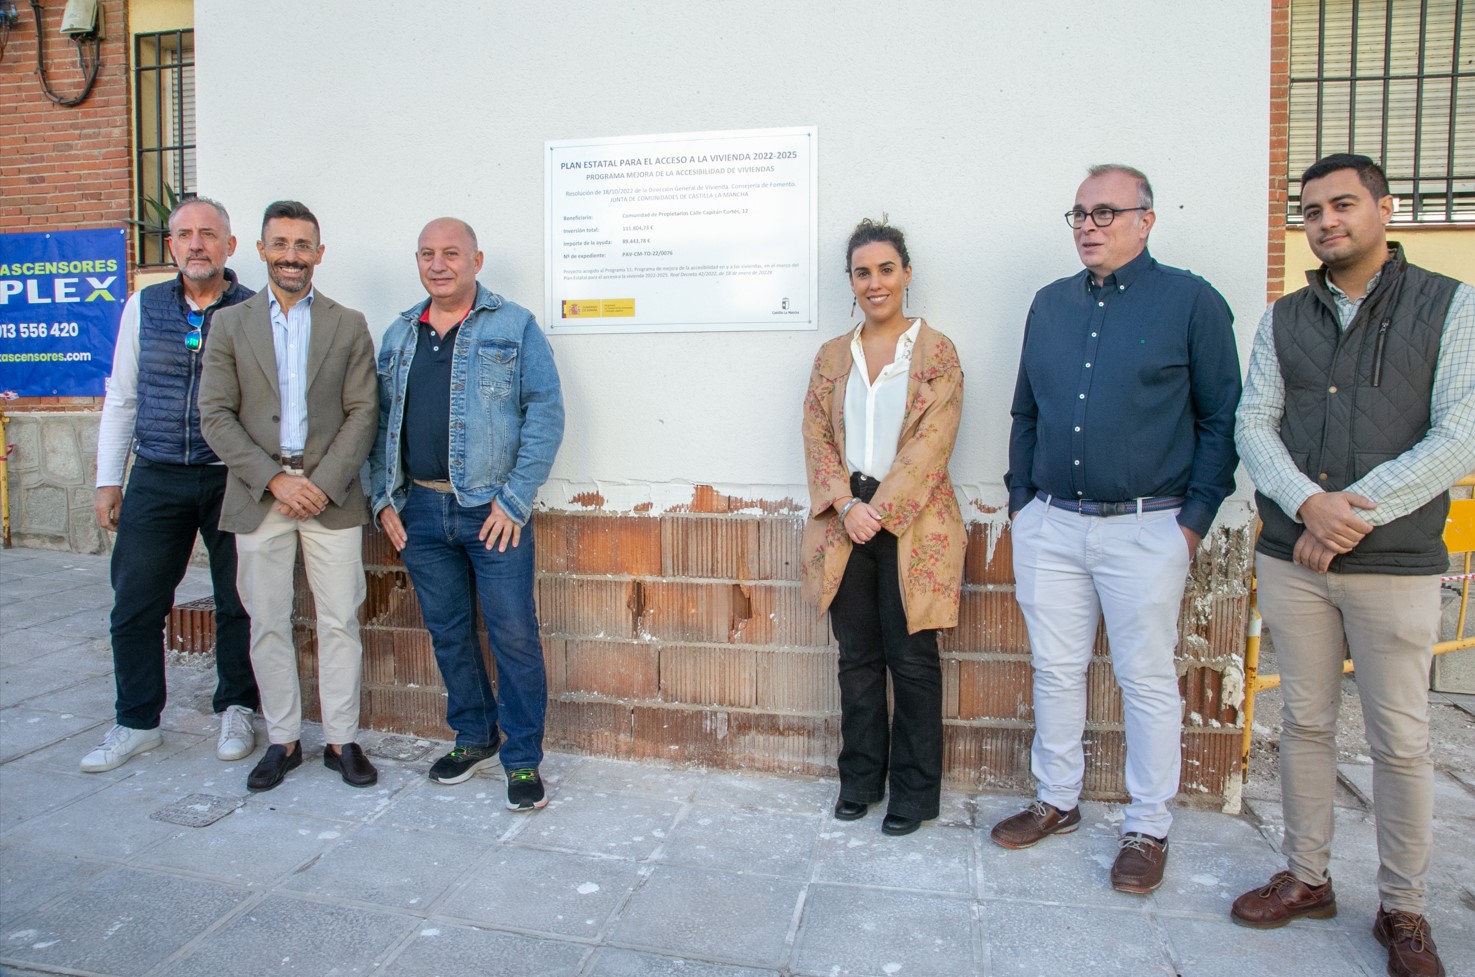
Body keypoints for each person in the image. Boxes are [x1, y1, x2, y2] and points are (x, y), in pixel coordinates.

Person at [1231, 153, 1472, 977]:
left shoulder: (1449, 306)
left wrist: (1346, 514)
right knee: (1302, 723)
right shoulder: (1283, 317)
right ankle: (1306, 877)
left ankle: (1403, 907)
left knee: (1399, 740)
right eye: (1311, 210)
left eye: (1341, 204)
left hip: (1394, 561)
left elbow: (1458, 433)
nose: (1325, 221)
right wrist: (1306, 505)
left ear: (1383, 207)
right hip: (1293, 556)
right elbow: (1253, 423)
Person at [992, 165, 1241, 893]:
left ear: (1145, 219)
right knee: (1056, 669)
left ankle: (1147, 823)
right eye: (1077, 213)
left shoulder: (1190, 302)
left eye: (1104, 212)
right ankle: (1057, 798)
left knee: (1145, 678)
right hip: (1052, 523)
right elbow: (1025, 413)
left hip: (1147, 527)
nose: (1087, 225)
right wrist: (1020, 503)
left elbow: (1219, 418)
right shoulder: (1049, 305)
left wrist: (1191, 523)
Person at [368, 217, 564, 811]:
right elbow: (375, 423)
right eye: (426, 253)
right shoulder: (401, 333)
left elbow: (545, 412)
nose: (438, 264)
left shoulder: (514, 325)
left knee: (513, 636)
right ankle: (474, 737)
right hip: (421, 512)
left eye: (451, 253)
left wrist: (514, 498)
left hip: (492, 511)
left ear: (477, 260)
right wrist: (382, 499)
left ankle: (522, 758)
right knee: (449, 633)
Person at [199, 200, 379, 792]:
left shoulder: (347, 323)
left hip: (331, 494)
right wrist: (275, 480)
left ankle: (340, 739)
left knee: (339, 621)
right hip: (260, 495)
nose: (292, 256)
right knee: (267, 622)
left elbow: (363, 412)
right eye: (281, 244)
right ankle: (282, 740)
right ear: (260, 251)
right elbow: (216, 416)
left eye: (303, 246)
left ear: (319, 254)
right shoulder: (228, 324)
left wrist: (318, 485)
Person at [800, 217, 966, 837]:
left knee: (914, 660)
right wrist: (846, 506)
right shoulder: (830, 357)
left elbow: (933, 442)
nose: (875, 283)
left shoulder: (935, 352)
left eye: (886, 270)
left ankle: (914, 793)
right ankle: (860, 781)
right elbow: (816, 436)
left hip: (912, 519)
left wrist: (881, 511)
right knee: (857, 660)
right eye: (862, 272)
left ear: (906, 275)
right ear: (851, 281)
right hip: (845, 520)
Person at [83, 197, 260, 773]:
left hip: (230, 477)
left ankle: (237, 706)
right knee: (135, 602)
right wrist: (109, 479)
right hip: (157, 473)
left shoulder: (255, 310)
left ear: (230, 246)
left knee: (240, 600)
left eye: (209, 234)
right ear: (171, 246)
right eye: (184, 234)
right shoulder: (144, 305)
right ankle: (136, 722)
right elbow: (123, 394)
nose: (196, 244)